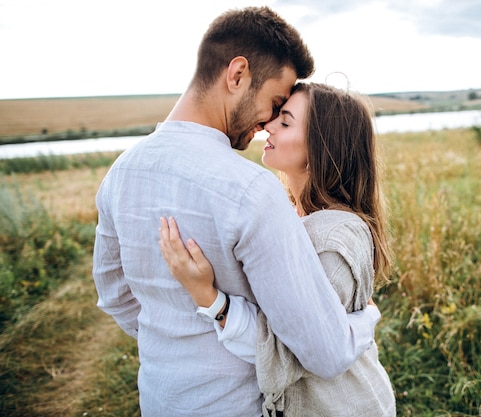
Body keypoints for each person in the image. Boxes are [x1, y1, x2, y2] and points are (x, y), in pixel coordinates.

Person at [92, 7, 381, 417]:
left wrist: (176, 340)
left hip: (160, 400)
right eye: (274, 102)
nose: (266, 123)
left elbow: (115, 296)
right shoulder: (250, 190)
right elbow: (327, 352)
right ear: (237, 74)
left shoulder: (119, 175)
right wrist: (365, 322)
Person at [159, 82, 396, 416]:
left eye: (285, 122)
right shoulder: (294, 216)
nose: (267, 126)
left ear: (321, 147)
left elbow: (298, 351)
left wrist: (208, 298)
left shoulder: (332, 238)